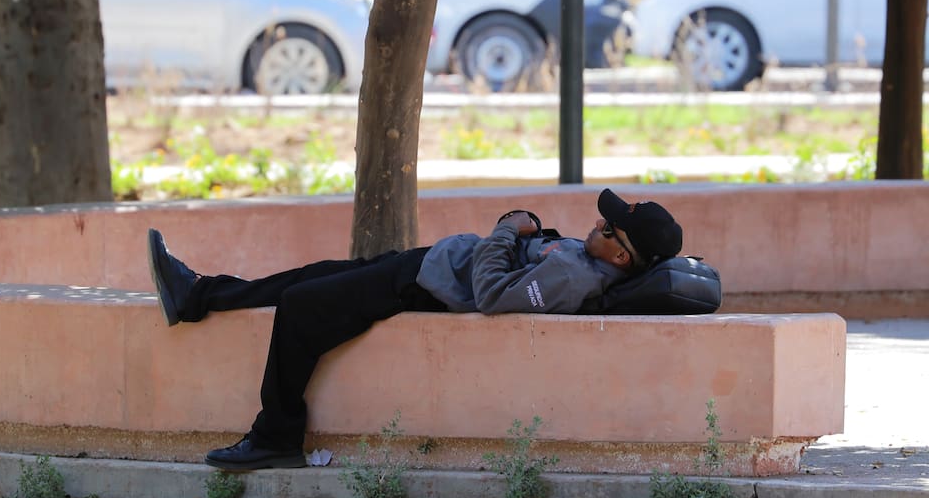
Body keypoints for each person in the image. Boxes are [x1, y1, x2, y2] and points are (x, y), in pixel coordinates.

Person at [146, 188, 683, 471]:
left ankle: (275, 436)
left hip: (422, 286)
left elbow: (493, 296)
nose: (596, 224)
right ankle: (197, 294)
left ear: (620, 254)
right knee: (309, 280)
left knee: (300, 308)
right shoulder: (584, 258)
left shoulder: (573, 276)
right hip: (428, 264)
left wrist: (503, 230)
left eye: (606, 227)